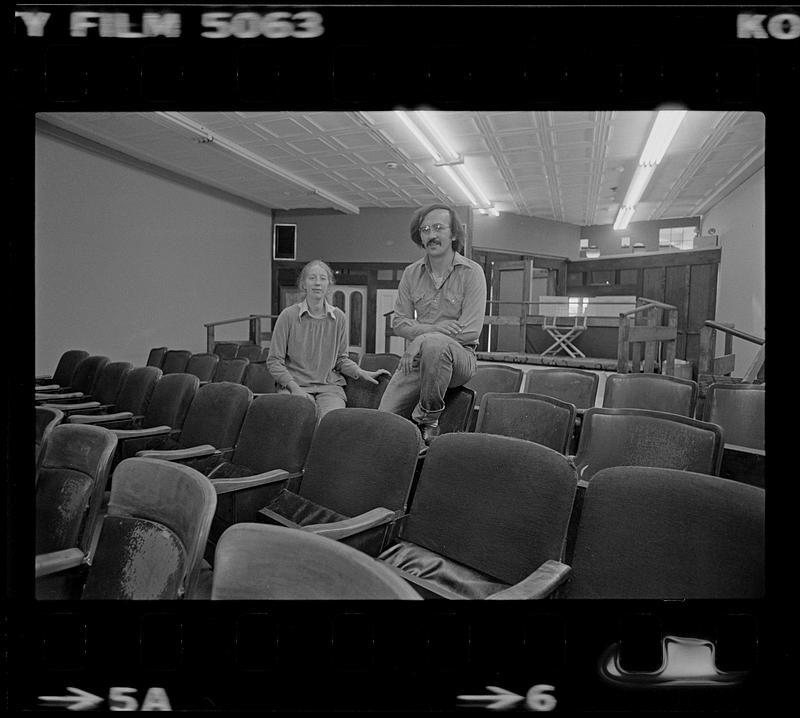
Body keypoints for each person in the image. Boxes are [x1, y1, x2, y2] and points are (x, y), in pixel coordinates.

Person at [378, 203, 487, 445]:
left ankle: (427, 419)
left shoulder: (472, 272)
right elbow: (399, 323)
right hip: (417, 359)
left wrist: (421, 338)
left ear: (454, 234)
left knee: (436, 346)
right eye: (425, 229)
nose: (431, 235)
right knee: (382, 421)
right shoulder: (411, 273)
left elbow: (469, 331)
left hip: (460, 358)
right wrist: (429, 333)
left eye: (438, 228)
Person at [267, 260, 390, 422]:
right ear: (303, 284)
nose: (317, 283)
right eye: (312, 278)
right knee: (302, 421)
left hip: (330, 388)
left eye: (322, 278)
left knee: (330, 424)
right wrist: (294, 389)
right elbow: (274, 362)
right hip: (295, 387)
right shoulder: (288, 316)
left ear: (329, 284)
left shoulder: (339, 317)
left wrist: (362, 373)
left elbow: (341, 360)